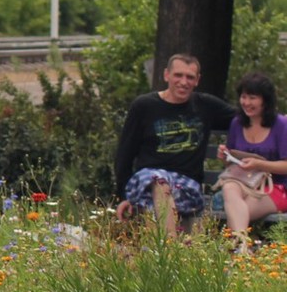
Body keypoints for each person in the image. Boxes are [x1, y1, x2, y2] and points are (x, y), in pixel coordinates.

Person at [113, 53, 234, 234]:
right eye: (178, 75)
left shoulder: (205, 106)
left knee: (155, 197)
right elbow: (124, 154)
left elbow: (246, 118)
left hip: (186, 188)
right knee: (158, 182)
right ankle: (170, 248)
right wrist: (123, 196)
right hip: (147, 183)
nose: (183, 82)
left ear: (197, 80)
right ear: (166, 75)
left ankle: (163, 252)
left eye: (190, 77)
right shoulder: (144, 106)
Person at [217, 71, 287, 239]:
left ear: (265, 100)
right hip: (243, 182)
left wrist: (259, 164)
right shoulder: (237, 123)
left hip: (274, 187)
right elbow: (233, 164)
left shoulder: (281, 125)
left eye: (253, 98)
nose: (246, 103)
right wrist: (225, 156)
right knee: (229, 187)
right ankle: (243, 251)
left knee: (237, 213)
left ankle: (239, 249)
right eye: (244, 97)